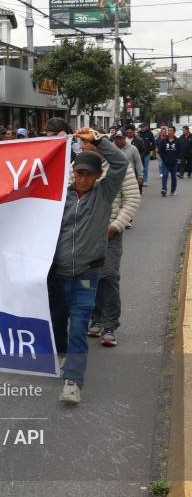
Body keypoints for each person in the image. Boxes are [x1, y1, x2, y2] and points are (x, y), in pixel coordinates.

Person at [48, 128, 127, 404]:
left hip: (86, 274)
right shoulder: (60, 197)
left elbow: (121, 163)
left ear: (98, 176)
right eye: (79, 173)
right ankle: (62, 358)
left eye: (88, 174)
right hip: (56, 275)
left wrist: (97, 141)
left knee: (79, 326)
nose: (82, 179)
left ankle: (73, 382)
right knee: (58, 323)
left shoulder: (104, 195)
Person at [83, 139, 140, 348]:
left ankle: (110, 326)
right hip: (85, 236)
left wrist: (114, 227)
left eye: (85, 143)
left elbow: (132, 200)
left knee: (109, 276)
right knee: (89, 278)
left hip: (110, 235)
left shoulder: (120, 168)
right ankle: (95, 319)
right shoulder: (75, 167)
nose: (80, 147)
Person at [158, 126, 182, 196]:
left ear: (174, 132)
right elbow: (161, 151)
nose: (169, 132)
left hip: (174, 162)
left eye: (171, 131)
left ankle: (173, 190)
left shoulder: (178, 141)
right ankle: (164, 189)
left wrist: (177, 159)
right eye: (169, 131)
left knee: (173, 176)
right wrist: (164, 159)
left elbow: (180, 151)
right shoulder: (163, 141)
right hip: (165, 162)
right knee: (165, 175)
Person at [137, 122, 155, 186]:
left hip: (147, 153)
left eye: (143, 127)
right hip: (139, 154)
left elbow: (153, 142)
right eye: (141, 127)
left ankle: (144, 180)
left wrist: (150, 149)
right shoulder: (138, 133)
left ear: (146, 127)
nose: (142, 128)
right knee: (139, 167)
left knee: (145, 168)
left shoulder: (150, 133)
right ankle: (139, 180)